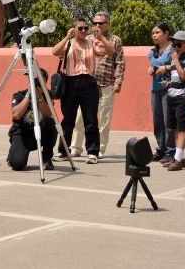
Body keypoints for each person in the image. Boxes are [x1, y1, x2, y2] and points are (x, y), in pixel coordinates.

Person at [51, 17, 115, 164]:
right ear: (74, 29)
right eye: (80, 28)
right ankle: (64, 151)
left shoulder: (92, 43)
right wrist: (67, 36)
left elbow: (111, 52)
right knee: (68, 119)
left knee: (91, 119)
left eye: (86, 28)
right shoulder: (68, 43)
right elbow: (54, 51)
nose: (84, 31)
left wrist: (101, 37)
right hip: (70, 82)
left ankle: (93, 152)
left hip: (89, 82)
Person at [69, 11, 125, 159]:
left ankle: (99, 149)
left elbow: (119, 61)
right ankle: (75, 147)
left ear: (108, 24)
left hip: (106, 83)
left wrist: (118, 80)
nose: (97, 25)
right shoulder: (87, 39)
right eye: (94, 23)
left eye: (100, 23)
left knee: (103, 118)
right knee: (81, 117)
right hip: (88, 83)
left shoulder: (115, 40)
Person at [163, 30, 185, 171]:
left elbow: (184, 76)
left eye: (177, 43)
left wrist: (176, 60)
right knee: (176, 128)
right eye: (174, 43)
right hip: (172, 95)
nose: (175, 45)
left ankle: (177, 160)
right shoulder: (175, 58)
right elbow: (176, 77)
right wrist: (169, 82)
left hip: (183, 97)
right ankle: (180, 157)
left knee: (182, 128)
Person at [7, 69, 57, 171]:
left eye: (39, 82)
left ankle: (46, 158)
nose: (36, 84)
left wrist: (39, 97)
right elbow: (16, 115)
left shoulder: (48, 95)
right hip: (22, 133)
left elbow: (48, 114)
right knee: (17, 164)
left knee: (51, 123)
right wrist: (29, 95)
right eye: (35, 81)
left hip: (40, 133)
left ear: (44, 82)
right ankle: (14, 155)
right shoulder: (20, 95)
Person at [147, 22, 176, 163]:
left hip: (169, 89)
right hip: (155, 89)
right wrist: (151, 70)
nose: (154, 35)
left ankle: (171, 151)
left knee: (168, 121)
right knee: (158, 121)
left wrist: (167, 68)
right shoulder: (152, 52)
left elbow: (179, 65)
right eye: (153, 33)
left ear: (166, 33)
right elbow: (152, 66)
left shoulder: (173, 50)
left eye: (157, 32)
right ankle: (161, 148)